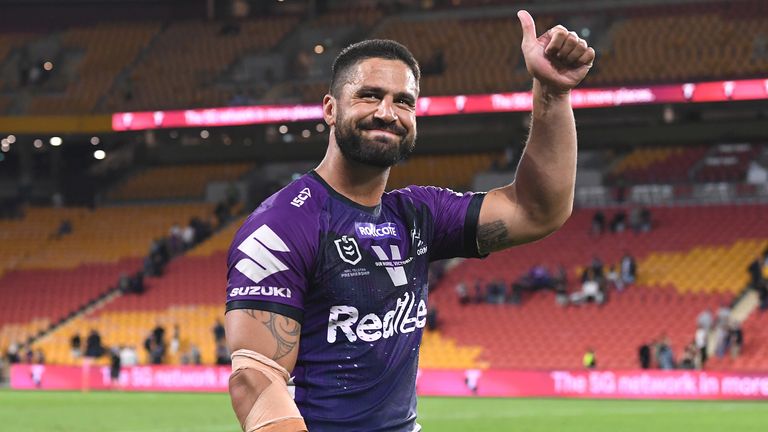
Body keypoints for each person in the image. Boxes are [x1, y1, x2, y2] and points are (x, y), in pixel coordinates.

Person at [224, 13, 595, 432]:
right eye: (369, 95)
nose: (387, 112)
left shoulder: (418, 214)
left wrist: (551, 93)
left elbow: (536, 210)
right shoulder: (281, 226)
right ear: (330, 108)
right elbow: (255, 377)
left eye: (403, 101)